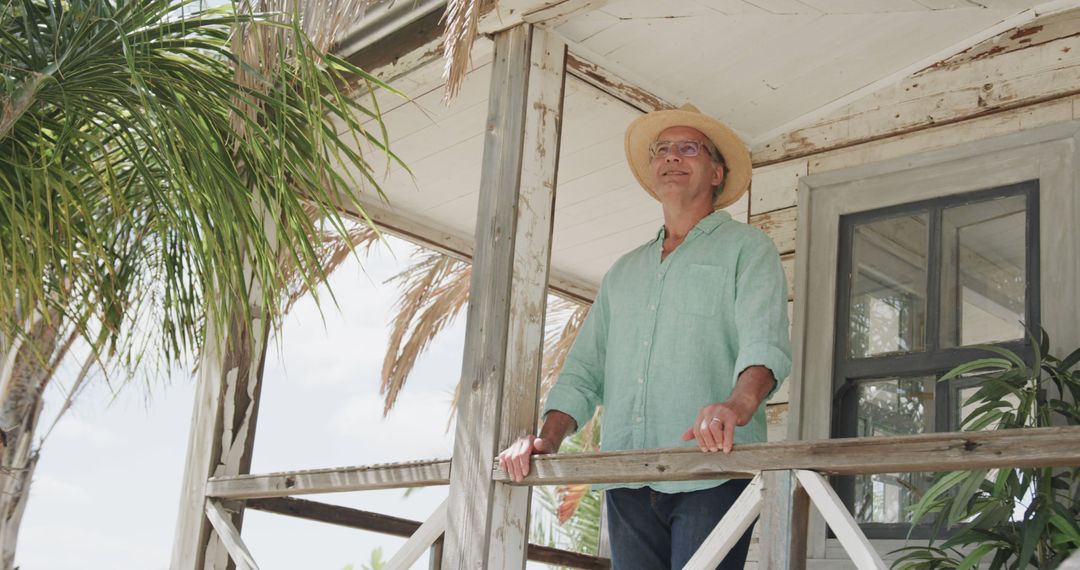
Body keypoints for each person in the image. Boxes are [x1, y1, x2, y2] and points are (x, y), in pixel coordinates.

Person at [498, 103, 792, 569]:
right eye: (663, 149)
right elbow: (583, 370)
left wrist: (736, 406)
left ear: (716, 172)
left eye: (688, 148)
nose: (672, 156)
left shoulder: (748, 249)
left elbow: (765, 343)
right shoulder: (623, 272)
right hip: (625, 478)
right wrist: (547, 439)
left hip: (711, 473)